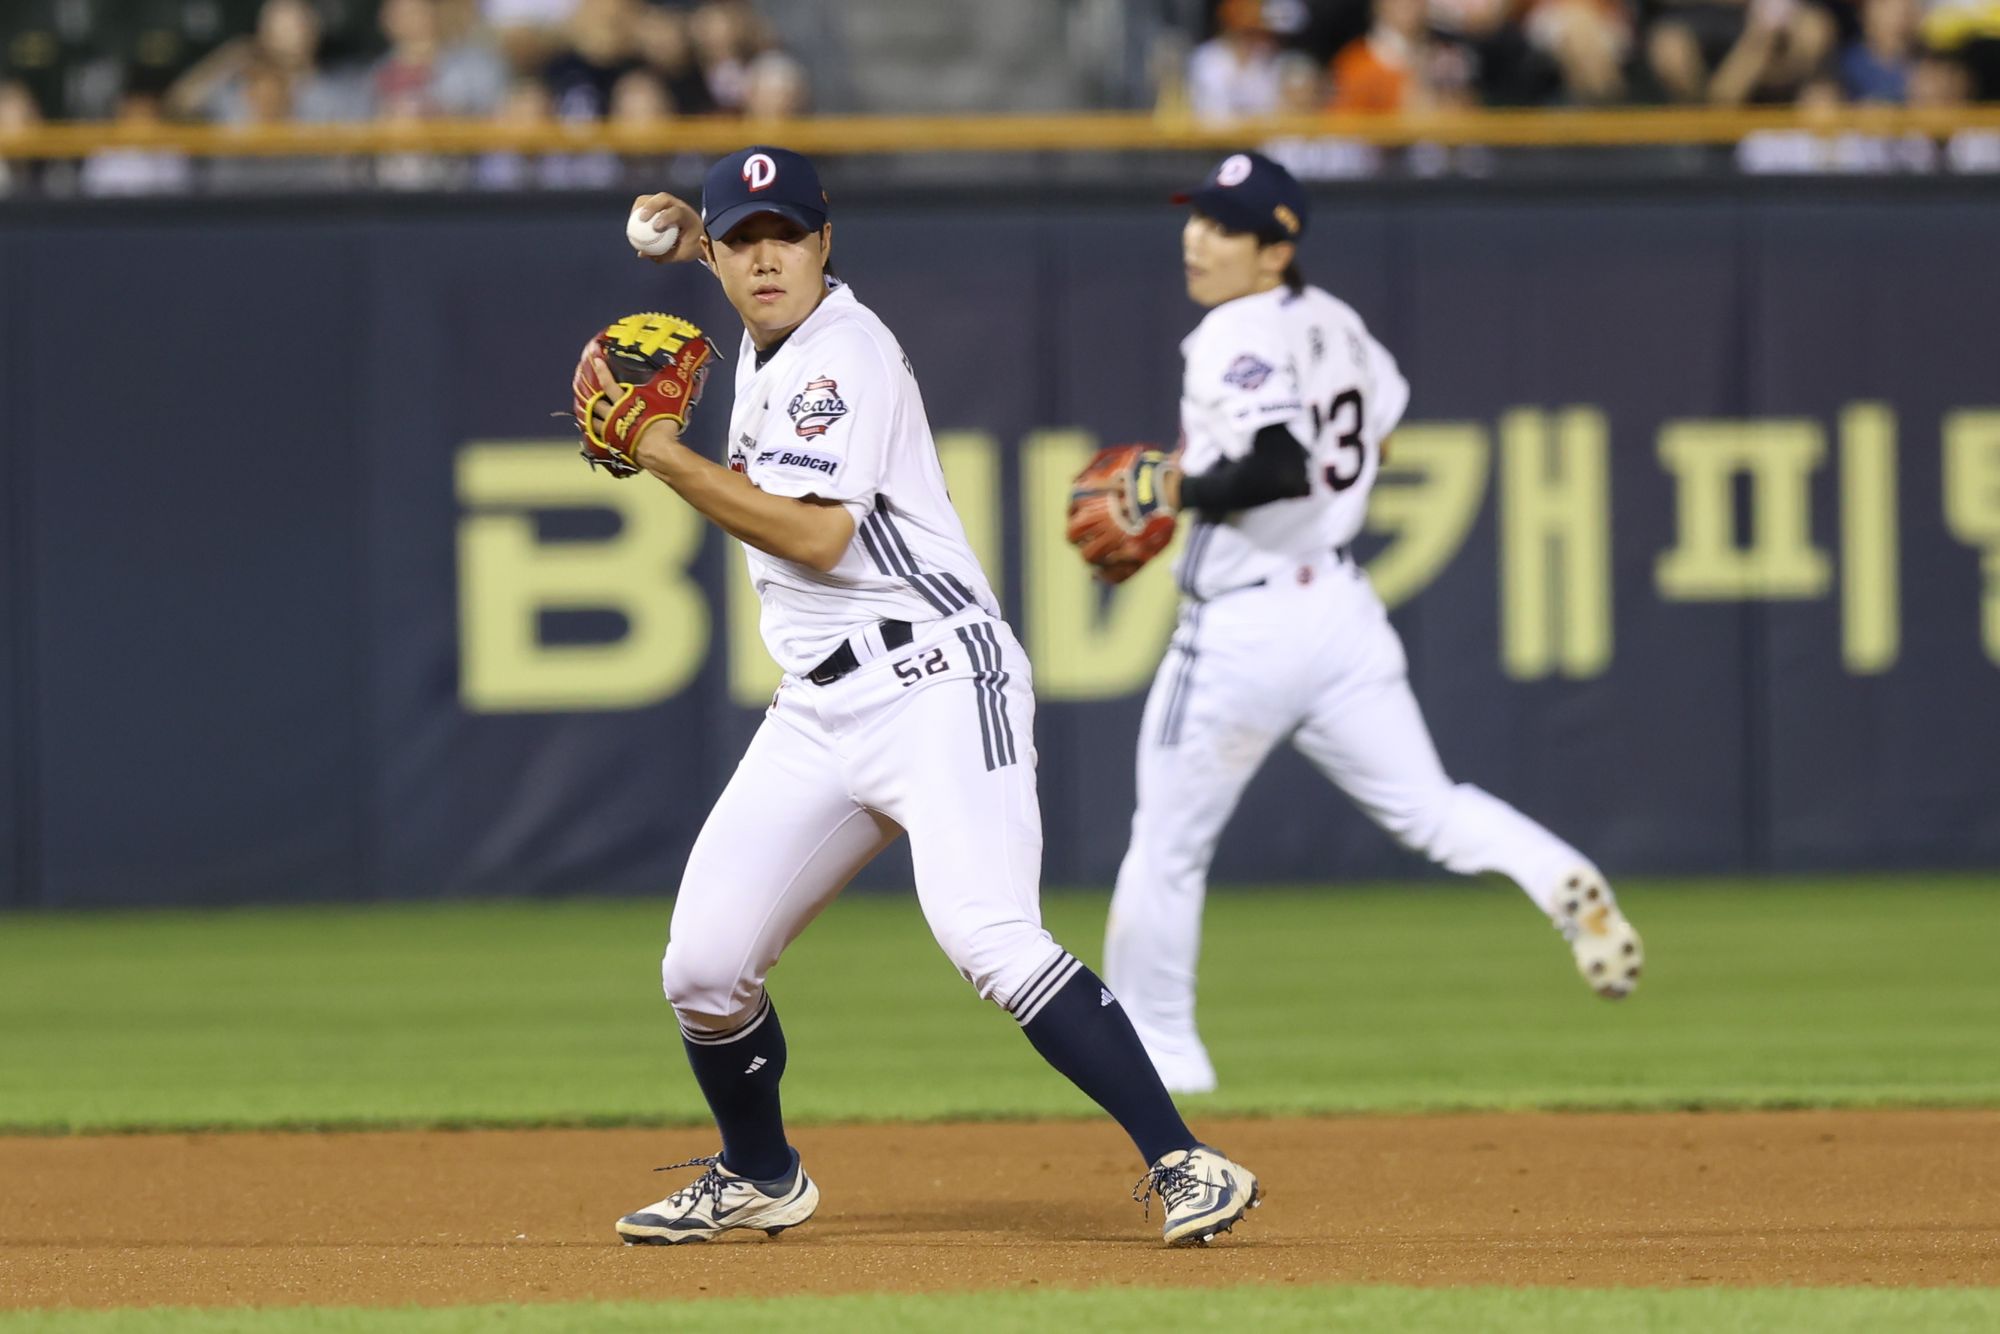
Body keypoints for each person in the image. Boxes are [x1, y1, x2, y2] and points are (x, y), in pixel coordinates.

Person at [585, 146, 1261, 1247]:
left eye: (786, 236)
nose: (768, 260)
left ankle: (1184, 1158)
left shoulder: (838, 354)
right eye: (744, 240)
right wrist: (683, 222)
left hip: (940, 676)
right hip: (820, 704)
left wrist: (660, 451)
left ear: (825, 242)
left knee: (987, 933)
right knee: (703, 969)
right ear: (712, 253)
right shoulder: (767, 340)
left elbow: (812, 535)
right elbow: (718, 259)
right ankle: (760, 1171)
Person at [1091, 152, 1645, 1095]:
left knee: (1167, 846)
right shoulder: (1336, 322)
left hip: (1243, 625)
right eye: (1197, 218)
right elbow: (1374, 433)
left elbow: (1275, 466)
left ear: (1275, 252)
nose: (1196, 238)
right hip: (1340, 610)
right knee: (1430, 807)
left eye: (1225, 228)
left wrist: (1179, 482)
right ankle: (1558, 876)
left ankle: (1161, 1058)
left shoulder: (1233, 332)